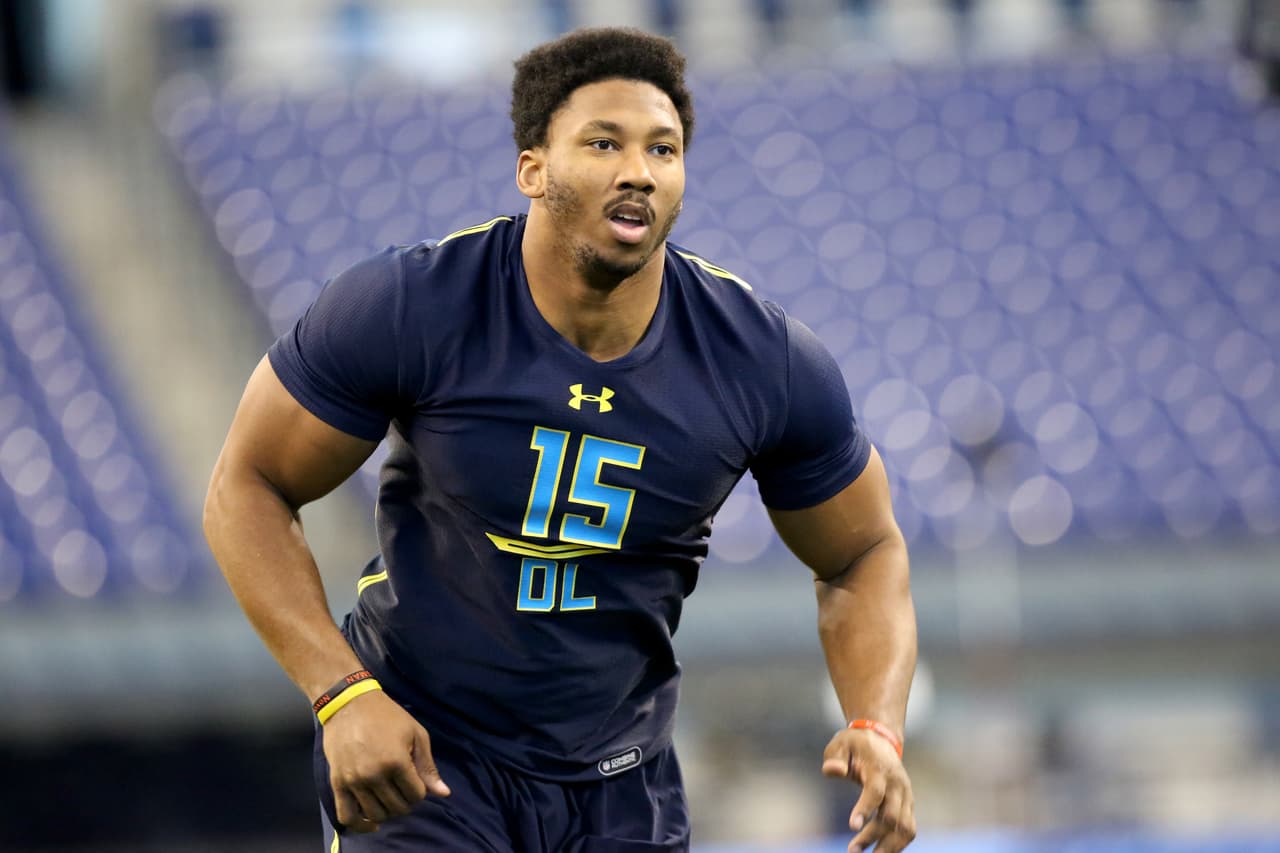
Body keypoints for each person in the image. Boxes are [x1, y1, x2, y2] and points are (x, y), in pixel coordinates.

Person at [203, 26, 917, 853]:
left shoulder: (762, 358)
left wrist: (877, 721)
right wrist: (340, 693)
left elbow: (864, 550)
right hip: (428, 759)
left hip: (624, 784)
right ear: (532, 169)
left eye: (664, 149)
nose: (638, 171)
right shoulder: (411, 305)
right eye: (603, 142)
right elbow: (246, 484)